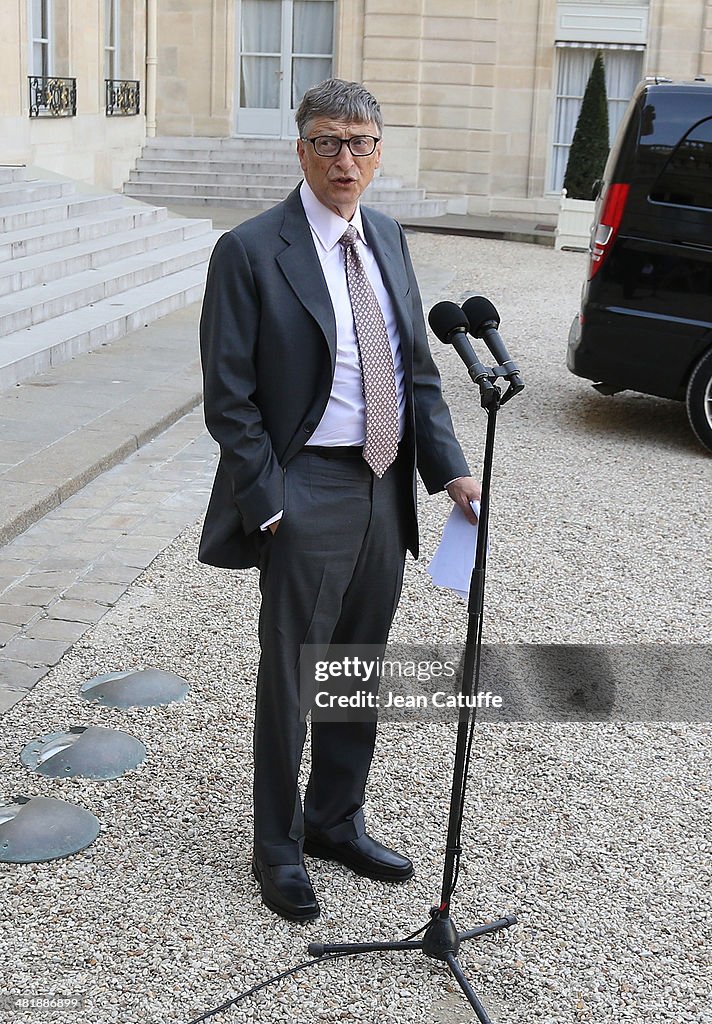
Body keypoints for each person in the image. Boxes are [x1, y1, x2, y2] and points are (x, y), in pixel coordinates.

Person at [199, 78, 480, 923]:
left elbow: (417, 375)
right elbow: (230, 397)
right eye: (327, 142)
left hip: (384, 485)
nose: (345, 160)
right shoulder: (251, 250)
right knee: (291, 677)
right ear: (301, 149)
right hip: (307, 485)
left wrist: (452, 469)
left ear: (379, 150)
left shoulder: (388, 237)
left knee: (356, 669)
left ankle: (334, 821)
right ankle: (277, 846)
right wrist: (269, 500)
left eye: (360, 143)